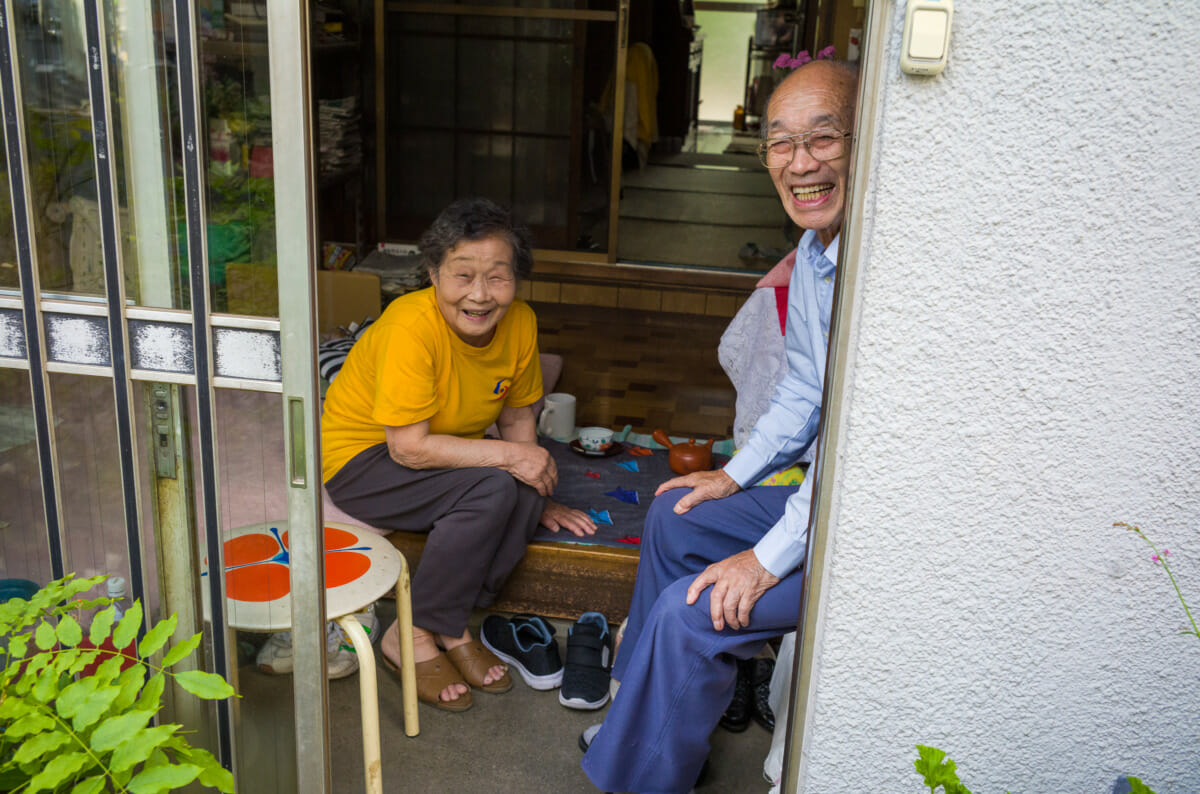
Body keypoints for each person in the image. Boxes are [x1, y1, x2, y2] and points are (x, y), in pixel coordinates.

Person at [580, 59, 859, 791]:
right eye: (780, 143)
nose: (800, 163)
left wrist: (764, 559)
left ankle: (641, 770)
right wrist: (734, 474)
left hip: (865, 530)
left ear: (868, 139)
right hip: (825, 503)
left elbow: (858, 452)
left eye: (823, 138)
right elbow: (804, 388)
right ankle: (645, 721)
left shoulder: (886, 266)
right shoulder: (814, 254)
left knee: (691, 607)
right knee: (678, 508)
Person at [321, 197, 595, 711]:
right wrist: (512, 462)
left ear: (517, 280)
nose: (479, 294)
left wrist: (534, 487)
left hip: (435, 451)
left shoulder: (521, 324)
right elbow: (407, 448)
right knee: (498, 479)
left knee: (525, 476)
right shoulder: (410, 326)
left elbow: (516, 419)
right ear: (432, 274)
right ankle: (412, 633)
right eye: (461, 275)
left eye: (497, 277)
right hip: (364, 460)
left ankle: (449, 622)